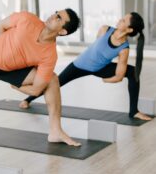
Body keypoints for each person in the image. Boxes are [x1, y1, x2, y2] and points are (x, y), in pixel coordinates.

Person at [19, 12, 152, 121]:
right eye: (122, 18)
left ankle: (133, 111)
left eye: (123, 21)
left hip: (100, 68)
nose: (119, 20)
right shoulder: (105, 29)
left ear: (129, 29)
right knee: (56, 82)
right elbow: (95, 49)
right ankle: (28, 99)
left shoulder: (124, 49)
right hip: (80, 65)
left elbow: (119, 75)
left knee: (134, 72)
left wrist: (106, 80)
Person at [0, 9, 82, 146]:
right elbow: (2, 25)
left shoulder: (49, 55)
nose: (53, 15)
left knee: (52, 80)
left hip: (9, 71)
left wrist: (17, 85)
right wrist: (3, 48)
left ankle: (55, 131)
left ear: (62, 31)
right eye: (56, 12)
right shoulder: (28, 19)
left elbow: (36, 90)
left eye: (58, 18)